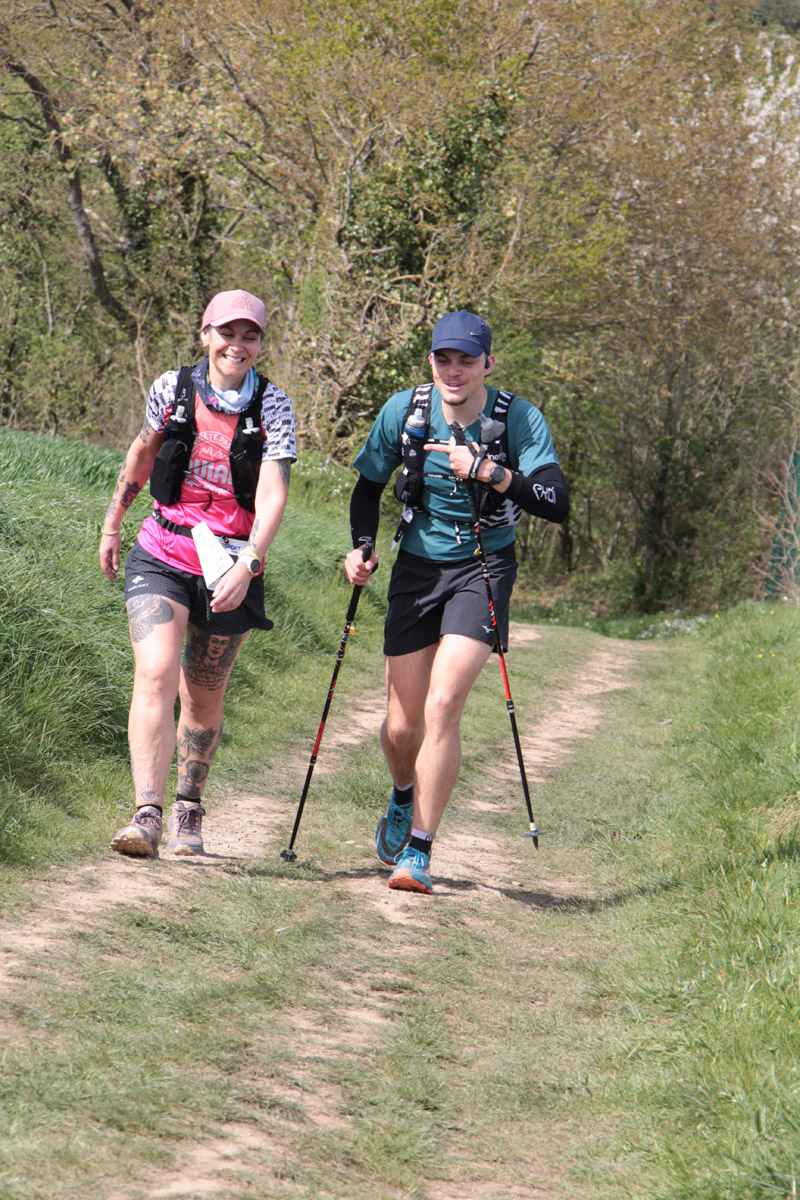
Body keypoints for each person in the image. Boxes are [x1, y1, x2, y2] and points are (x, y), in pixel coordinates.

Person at [343, 311, 569, 894]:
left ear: (488, 364)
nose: (455, 371)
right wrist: (362, 547)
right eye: (444, 359)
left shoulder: (518, 418)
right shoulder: (406, 410)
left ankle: (419, 851)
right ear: (431, 361)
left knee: (443, 705)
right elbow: (368, 486)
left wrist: (492, 472)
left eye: (467, 361)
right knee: (401, 728)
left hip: (484, 568)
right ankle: (402, 797)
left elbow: (556, 500)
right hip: (416, 569)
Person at [99, 289, 296, 859]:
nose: (238, 345)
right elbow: (142, 453)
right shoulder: (172, 388)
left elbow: (274, 492)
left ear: (259, 344)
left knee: (202, 694)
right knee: (154, 674)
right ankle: (146, 814)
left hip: (232, 565)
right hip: (162, 549)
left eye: (250, 336)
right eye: (227, 332)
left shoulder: (274, 405)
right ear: (205, 334)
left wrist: (250, 563)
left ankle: (188, 805)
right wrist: (113, 523)